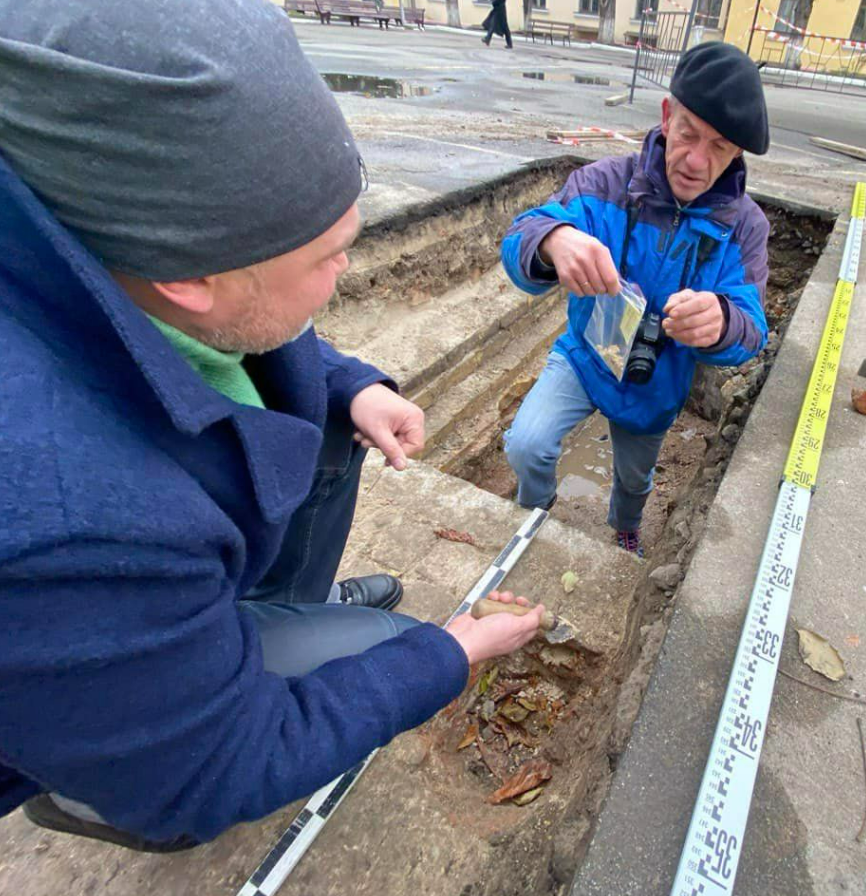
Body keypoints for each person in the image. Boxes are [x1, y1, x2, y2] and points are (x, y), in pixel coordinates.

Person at [0, 0, 543, 852]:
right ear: (193, 275)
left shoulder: (104, 234)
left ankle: (271, 608)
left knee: (323, 423)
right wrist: (449, 653)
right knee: (392, 646)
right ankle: (89, 790)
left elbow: (249, 330)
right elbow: (226, 765)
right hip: (103, 690)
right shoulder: (70, 527)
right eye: (328, 257)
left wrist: (353, 386)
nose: (345, 273)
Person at [500, 42, 771, 558]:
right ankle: (535, 510)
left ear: (737, 152)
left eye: (719, 146)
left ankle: (625, 527)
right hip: (584, 355)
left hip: (657, 383)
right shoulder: (603, 183)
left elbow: (752, 326)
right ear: (667, 117)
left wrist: (723, 323)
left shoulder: (745, 229)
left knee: (633, 478)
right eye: (689, 133)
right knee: (527, 443)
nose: (695, 160)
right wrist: (553, 240)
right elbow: (520, 236)